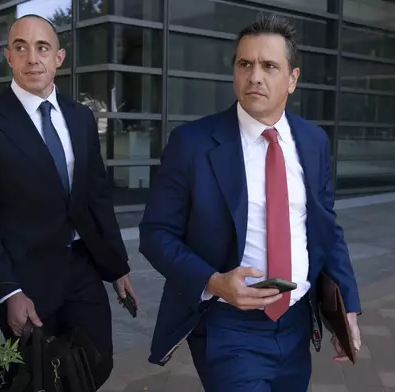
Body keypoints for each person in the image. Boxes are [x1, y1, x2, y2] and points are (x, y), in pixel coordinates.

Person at [139, 15, 362, 392]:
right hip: (228, 326)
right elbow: (155, 234)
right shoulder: (192, 144)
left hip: (295, 325)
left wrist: (347, 311)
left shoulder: (313, 142)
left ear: (292, 79)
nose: (254, 75)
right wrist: (214, 282)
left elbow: (328, 230)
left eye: (269, 66)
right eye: (245, 64)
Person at [0, 14, 137, 391]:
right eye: (21, 47)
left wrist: (117, 267)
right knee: (31, 379)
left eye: (42, 47)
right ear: (8, 57)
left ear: (59, 57)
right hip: (23, 277)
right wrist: (8, 291)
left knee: (95, 361)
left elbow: (96, 196)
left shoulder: (81, 117)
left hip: (81, 266)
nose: (32, 58)